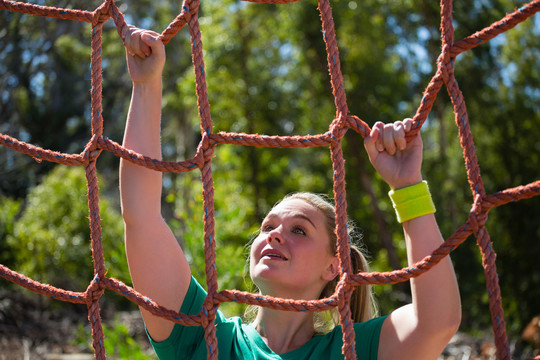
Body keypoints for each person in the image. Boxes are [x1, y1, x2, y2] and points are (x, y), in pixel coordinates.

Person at [120, 25, 461, 360]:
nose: (275, 236)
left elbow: (435, 322)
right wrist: (146, 85)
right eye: (267, 227)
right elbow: (141, 216)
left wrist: (407, 187)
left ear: (334, 267)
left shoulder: (354, 350)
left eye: (299, 229)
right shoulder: (204, 336)